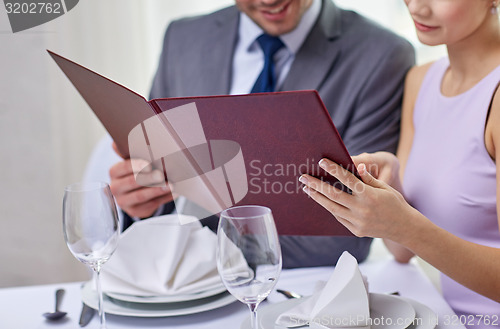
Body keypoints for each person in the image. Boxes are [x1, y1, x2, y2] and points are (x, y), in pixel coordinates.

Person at [108, 0, 415, 268]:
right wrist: (141, 202)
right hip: (185, 294)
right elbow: (166, 192)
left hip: (306, 290)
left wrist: (196, 250)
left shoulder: (381, 56)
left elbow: (345, 233)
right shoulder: (182, 38)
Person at [300, 0, 500, 325]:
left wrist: (405, 224)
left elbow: (413, 235)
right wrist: (390, 189)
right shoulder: (421, 81)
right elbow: (402, 251)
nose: (418, 7)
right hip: (443, 315)